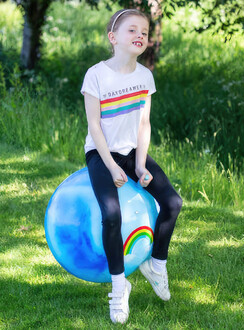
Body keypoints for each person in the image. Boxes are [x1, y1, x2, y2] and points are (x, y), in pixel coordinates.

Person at [80, 8, 182, 324]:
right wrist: (112, 167)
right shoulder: (96, 75)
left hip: (131, 152)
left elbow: (144, 123)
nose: (140, 35)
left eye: (144, 32)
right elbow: (94, 127)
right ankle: (119, 286)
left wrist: (139, 165)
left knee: (173, 203)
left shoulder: (144, 77)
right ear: (113, 38)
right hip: (101, 154)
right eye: (132, 30)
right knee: (112, 215)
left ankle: (157, 265)